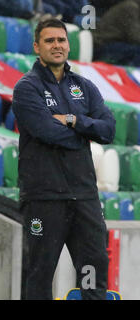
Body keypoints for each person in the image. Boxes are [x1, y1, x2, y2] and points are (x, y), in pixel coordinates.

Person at [11, 18, 116, 300]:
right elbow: (47, 132)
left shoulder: (85, 86)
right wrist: (84, 133)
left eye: (61, 40)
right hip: (44, 198)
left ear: (68, 45)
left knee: (94, 271)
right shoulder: (26, 88)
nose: (56, 45)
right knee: (39, 274)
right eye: (49, 40)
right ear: (37, 46)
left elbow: (108, 130)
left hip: (84, 197)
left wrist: (72, 120)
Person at [92, 0, 140, 67]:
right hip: (102, 44)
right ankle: (130, 74)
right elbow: (134, 37)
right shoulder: (131, 7)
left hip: (113, 43)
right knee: (137, 51)